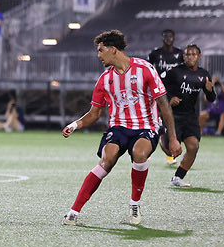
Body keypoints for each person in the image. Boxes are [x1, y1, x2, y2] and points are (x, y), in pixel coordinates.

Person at [61, 29, 181, 226]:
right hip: (118, 127)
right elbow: (94, 113)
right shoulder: (105, 79)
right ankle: (74, 211)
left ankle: (135, 204)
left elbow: (164, 105)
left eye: (101, 51)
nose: (98, 55)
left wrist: (173, 138)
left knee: (140, 153)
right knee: (106, 161)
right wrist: (74, 125)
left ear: (113, 49)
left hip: (146, 126)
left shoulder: (145, 69)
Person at [160, 44, 215, 187]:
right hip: (173, 116)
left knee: (193, 146)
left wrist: (210, 91)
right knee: (170, 150)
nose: (190, 57)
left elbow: (211, 99)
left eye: (193, 54)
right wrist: (170, 99)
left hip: (190, 116)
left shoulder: (204, 74)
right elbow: (159, 88)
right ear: (183, 56)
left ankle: (177, 178)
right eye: (187, 55)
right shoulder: (174, 72)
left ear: (199, 56)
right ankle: (161, 136)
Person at [148, 29, 183, 165]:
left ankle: (171, 154)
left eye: (171, 36)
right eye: (166, 36)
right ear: (162, 38)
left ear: (174, 38)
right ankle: (148, 150)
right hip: (159, 92)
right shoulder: (155, 54)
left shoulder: (180, 54)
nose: (168, 38)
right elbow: (149, 69)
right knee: (158, 123)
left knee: (173, 123)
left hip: (175, 92)